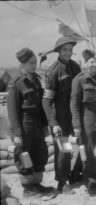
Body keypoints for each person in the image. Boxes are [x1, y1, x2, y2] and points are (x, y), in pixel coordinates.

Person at [7, 48, 54, 198]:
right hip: (24, 124)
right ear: (23, 64)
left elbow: (40, 106)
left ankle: (36, 184)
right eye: (30, 63)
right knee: (24, 156)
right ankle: (28, 189)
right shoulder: (16, 83)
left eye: (34, 62)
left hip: (37, 124)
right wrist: (17, 134)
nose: (34, 65)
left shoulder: (35, 80)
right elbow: (12, 111)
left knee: (39, 153)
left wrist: (45, 127)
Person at [42, 36, 82, 193]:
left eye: (70, 50)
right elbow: (46, 101)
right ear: (58, 51)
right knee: (64, 150)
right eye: (65, 50)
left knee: (81, 145)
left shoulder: (76, 67)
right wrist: (54, 123)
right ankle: (62, 182)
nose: (68, 52)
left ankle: (75, 174)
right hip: (61, 117)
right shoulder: (53, 72)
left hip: (75, 115)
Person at [70, 49, 96, 195]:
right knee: (88, 151)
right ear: (85, 63)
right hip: (86, 120)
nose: (94, 64)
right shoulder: (79, 79)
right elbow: (74, 105)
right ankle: (91, 181)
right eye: (91, 62)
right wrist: (76, 125)